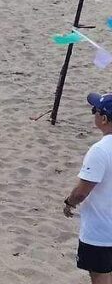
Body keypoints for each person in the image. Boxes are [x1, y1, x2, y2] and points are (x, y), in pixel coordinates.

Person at [64, 92, 112, 283]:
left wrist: (69, 202)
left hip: (102, 231)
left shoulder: (100, 150)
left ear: (104, 118)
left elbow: (82, 191)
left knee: (100, 275)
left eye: (95, 110)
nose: (93, 114)